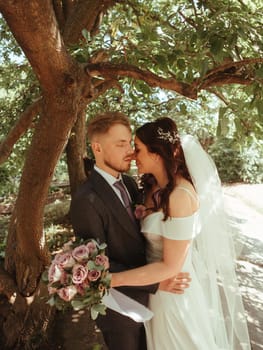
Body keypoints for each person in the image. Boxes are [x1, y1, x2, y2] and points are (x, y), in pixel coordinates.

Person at [111, 117, 251, 350]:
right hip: (155, 291)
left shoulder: (180, 196)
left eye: (138, 149)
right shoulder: (152, 188)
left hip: (175, 294)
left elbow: (170, 267)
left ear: (157, 154)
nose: (134, 155)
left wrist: (111, 280)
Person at [70, 112, 189, 350]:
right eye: (121, 144)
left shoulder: (131, 184)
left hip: (155, 298)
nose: (131, 151)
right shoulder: (86, 199)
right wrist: (155, 283)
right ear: (98, 148)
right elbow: (97, 263)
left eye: (130, 143)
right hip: (121, 306)